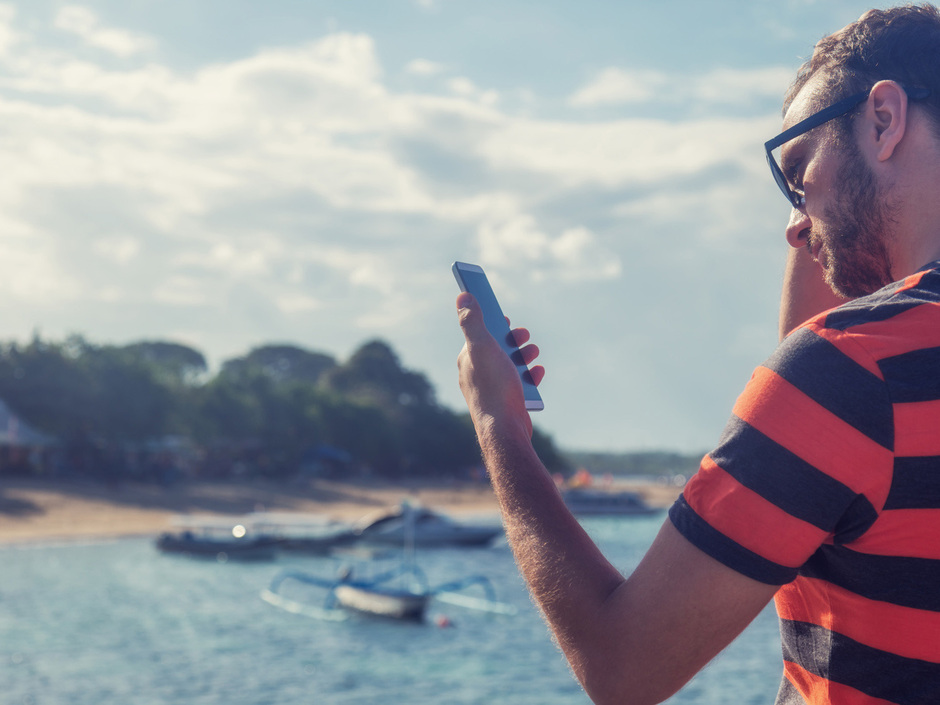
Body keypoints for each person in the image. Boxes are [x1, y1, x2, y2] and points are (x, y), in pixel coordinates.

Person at [455, 5, 940, 704]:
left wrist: (498, 424)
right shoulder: (860, 380)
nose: (796, 217)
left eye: (798, 166)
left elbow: (622, 669)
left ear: (884, 119)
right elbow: (824, 459)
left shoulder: (854, 373)